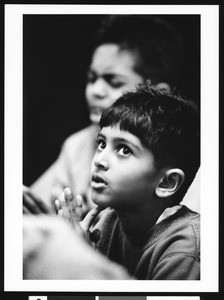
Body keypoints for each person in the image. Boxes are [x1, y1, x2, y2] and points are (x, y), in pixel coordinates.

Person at [23, 15, 186, 215]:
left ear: (160, 94)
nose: (94, 91)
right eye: (92, 79)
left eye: (113, 81)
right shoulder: (77, 146)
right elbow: (35, 206)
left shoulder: (193, 160)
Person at [55, 82, 200, 280]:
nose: (99, 160)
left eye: (124, 150)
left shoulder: (184, 248)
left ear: (166, 183)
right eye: (101, 143)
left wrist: (84, 263)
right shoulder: (107, 222)